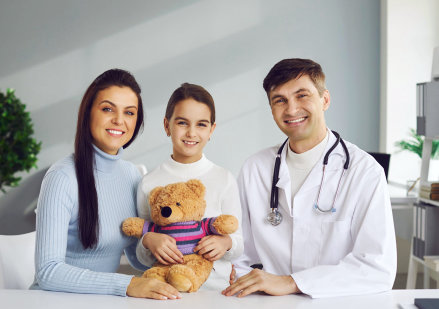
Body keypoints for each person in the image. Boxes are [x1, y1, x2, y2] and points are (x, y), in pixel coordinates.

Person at [222, 58, 397, 298]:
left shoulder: (365, 172)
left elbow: (377, 268)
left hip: (337, 303)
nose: (291, 109)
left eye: (302, 95)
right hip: (267, 304)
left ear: (324, 100)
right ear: (271, 109)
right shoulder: (255, 169)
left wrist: (292, 282)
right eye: (280, 100)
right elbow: (240, 253)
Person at [32, 69, 181, 300]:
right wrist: (125, 284)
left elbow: (134, 257)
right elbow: (48, 272)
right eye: (107, 109)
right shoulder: (62, 178)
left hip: (100, 302)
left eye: (129, 112)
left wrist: (151, 241)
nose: (119, 120)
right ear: (88, 113)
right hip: (51, 303)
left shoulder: (132, 175)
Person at [136, 83, 243, 291]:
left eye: (201, 125)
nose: (191, 133)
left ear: (212, 129)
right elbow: (140, 255)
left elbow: (239, 242)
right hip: (165, 292)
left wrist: (226, 243)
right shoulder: (149, 182)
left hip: (216, 292)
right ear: (167, 126)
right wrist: (148, 240)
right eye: (182, 123)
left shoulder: (224, 179)